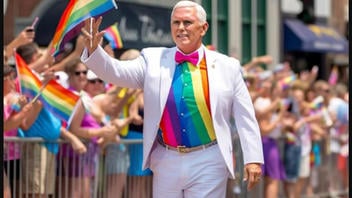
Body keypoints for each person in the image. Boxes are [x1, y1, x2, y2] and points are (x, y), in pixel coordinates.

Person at [81, 1, 263, 197]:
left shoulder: (228, 66)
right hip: (167, 158)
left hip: (209, 158)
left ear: (204, 28)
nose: (181, 28)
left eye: (187, 22)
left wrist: (253, 158)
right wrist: (94, 52)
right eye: (176, 22)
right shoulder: (152, 59)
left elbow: (245, 115)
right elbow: (116, 72)